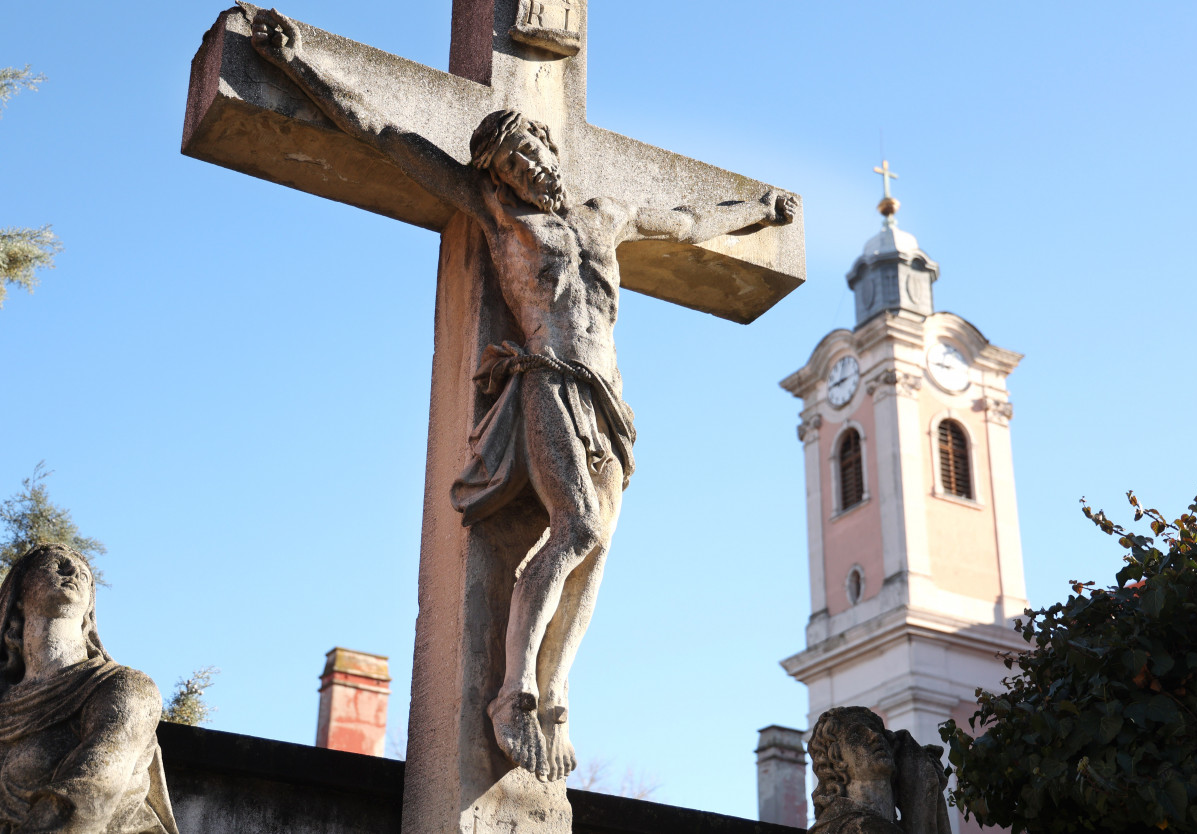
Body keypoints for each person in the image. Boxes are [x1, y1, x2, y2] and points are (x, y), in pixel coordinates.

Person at [250, 8, 798, 783]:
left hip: (609, 400)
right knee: (574, 529)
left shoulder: (606, 216)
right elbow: (381, 132)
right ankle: (515, 692)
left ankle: (557, 691)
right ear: (496, 178)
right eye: (508, 164)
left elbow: (688, 221)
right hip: (546, 382)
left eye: (528, 152)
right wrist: (300, 62)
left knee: (597, 548)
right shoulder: (499, 218)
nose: (527, 168)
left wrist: (758, 211)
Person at [0, 544, 178, 834]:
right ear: (19, 594)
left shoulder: (126, 688)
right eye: (56, 563)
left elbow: (92, 790)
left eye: (84, 573)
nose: (74, 571)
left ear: (89, 610)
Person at [808, 707, 951, 834]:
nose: (874, 735)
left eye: (875, 729)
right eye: (857, 733)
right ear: (836, 759)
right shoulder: (856, 827)